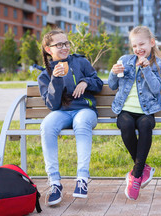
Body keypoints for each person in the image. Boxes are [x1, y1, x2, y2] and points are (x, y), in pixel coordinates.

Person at [38, 29, 103, 206]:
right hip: (61, 113)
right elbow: (52, 105)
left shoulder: (80, 62)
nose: (64, 47)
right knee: (47, 126)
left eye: (66, 43)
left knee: (81, 123)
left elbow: (98, 83)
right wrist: (56, 79)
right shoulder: (45, 75)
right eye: (59, 45)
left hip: (84, 111)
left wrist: (85, 81)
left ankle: (82, 178)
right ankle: (54, 183)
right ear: (48, 49)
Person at [108, 26, 161, 200]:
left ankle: (136, 176)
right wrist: (113, 73)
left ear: (151, 42)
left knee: (145, 125)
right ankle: (143, 169)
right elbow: (112, 85)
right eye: (134, 45)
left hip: (146, 111)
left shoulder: (159, 64)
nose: (138, 49)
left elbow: (156, 88)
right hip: (125, 109)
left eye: (141, 44)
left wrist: (146, 69)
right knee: (125, 125)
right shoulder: (125, 60)